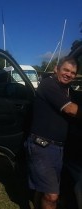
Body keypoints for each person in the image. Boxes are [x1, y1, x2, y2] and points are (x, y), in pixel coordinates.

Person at [25, 56, 81, 209]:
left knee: (43, 189)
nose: (69, 74)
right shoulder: (48, 84)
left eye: (73, 72)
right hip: (42, 146)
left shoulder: (68, 90)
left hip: (57, 149)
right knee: (52, 196)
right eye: (66, 70)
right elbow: (70, 109)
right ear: (56, 69)